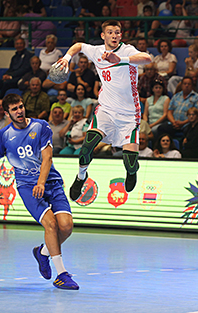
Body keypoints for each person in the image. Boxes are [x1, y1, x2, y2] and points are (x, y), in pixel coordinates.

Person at [0, 93, 79, 290]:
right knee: (51, 225)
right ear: (7, 113)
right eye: (14, 109)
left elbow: (47, 159)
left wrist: (42, 182)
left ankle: (42, 252)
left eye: (20, 107)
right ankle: (62, 274)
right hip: (27, 187)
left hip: (50, 182)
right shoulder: (3, 136)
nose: (19, 111)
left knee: (66, 226)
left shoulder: (41, 126)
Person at [54, 19, 152, 200]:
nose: (114, 35)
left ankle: (132, 172)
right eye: (110, 32)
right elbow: (78, 45)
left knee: (129, 162)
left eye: (117, 32)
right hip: (106, 109)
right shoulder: (97, 51)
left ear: (121, 35)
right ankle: (81, 176)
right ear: (103, 35)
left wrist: (120, 60)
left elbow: (148, 58)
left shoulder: (127, 50)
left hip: (129, 114)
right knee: (87, 146)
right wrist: (67, 58)